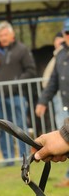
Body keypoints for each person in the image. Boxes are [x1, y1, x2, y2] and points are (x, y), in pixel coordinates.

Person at [0, 21, 36, 165]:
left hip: (16, 95)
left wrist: (16, 83)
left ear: (12, 35)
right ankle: (8, 159)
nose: (3, 38)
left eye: (5, 34)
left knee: (20, 126)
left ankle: (25, 157)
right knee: (2, 127)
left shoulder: (22, 49)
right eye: (0, 35)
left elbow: (31, 70)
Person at [35, 18, 69, 186]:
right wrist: (42, 101)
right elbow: (54, 81)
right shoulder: (61, 54)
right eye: (67, 33)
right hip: (65, 106)